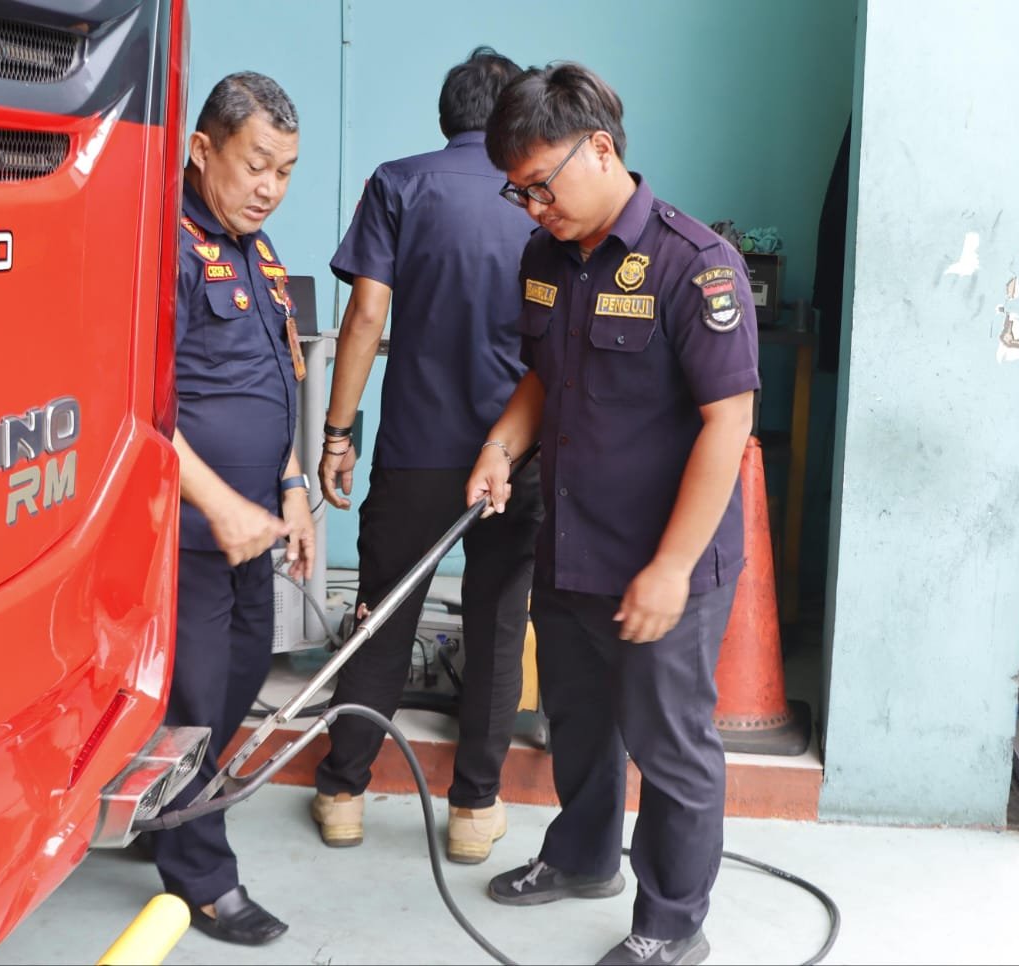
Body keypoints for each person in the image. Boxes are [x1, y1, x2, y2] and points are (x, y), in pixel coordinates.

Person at [465, 62, 758, 966]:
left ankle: (671, 921)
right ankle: (584, 856)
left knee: (670, 751)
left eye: (542, 185)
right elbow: (547, 378)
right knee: (579, 725)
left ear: (601, 149)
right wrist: (501, 447)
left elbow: (729, 422)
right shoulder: (544, 258)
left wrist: (671, 568)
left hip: (663, 561)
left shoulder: (694, 264)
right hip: (572, 544)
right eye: (518, 193)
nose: (533, 206)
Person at [311, 47, 543, 864]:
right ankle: (474, 812)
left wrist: (338, 434)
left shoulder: (399, 183)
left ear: (447, 115)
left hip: (416, 447)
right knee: (496, 621)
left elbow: (366, 316)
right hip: (515, 456)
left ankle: (343, 792)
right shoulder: (538, 192)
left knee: (381, 614)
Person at [155, 71, 313, 947]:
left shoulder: (258, 250)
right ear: (202, 149)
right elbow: (140, 409)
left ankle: (169, 811)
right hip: (188, 532)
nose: (269, 187)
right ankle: (202, 876)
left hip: (254, 528)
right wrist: (218, 504)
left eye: (285, 171)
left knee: (242, 679)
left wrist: (289, 486)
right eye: (256, 164)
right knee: (198, 702)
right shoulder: (167, 251)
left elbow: (266, 382)